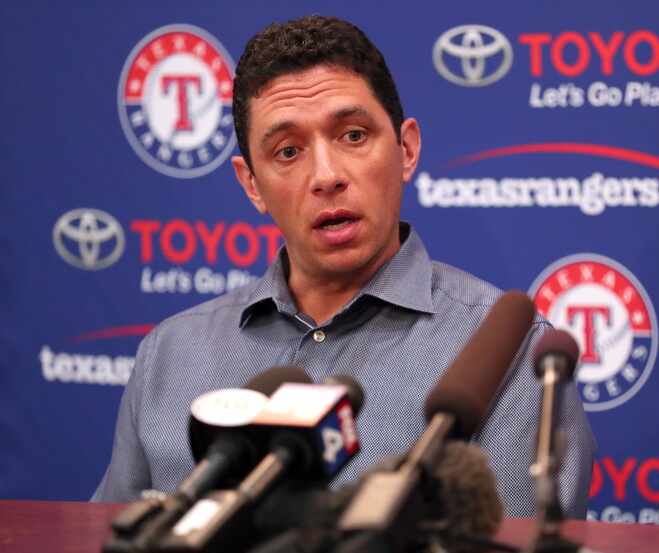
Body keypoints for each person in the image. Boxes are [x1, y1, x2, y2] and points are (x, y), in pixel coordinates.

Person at [93, 15, 595, 517]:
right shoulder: (170, 353)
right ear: (251, 185)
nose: (326, 176)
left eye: (353, 136)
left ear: (406, 149)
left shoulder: (510, 354)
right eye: (288, 151)